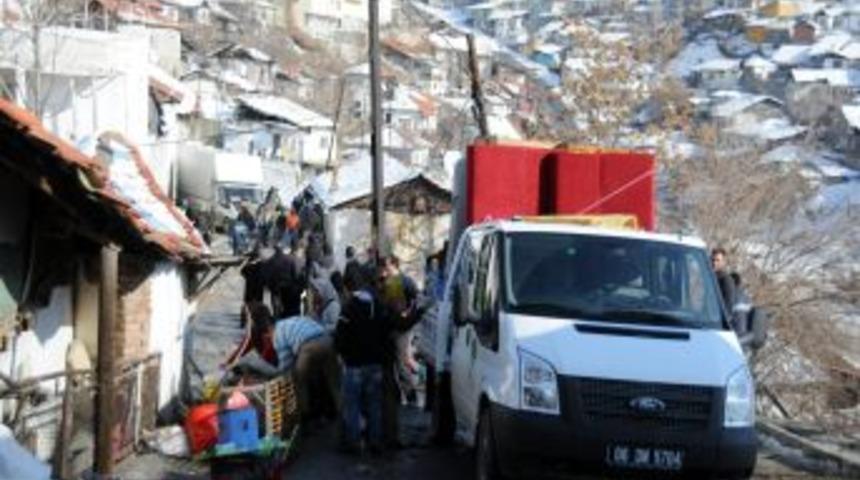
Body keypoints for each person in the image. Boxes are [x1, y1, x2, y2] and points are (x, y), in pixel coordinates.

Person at [334, 273, 390, 454]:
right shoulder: (379, 306)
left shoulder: (349, 307)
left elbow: (340, 337)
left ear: (351, 289)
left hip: (354, 365)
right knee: (374, 404)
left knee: (353, 405)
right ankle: (375, 441)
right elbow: (386, 334)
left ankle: (354, 442)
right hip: (376, 364)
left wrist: (342, 354)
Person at [267, 314, 340, 428]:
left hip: (309, 347)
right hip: (328, 341)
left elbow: (285, 366)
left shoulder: (277, 333)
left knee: (299, 379)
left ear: (269, 329)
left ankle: (305, 418)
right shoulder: (293, 320)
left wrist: (275, 375)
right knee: (326, 379)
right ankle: (333, 414)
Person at [264, 245, 304, 318]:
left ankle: (278, 319)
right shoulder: (291, 259)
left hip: (276, 288)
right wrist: (299, 288)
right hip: (290, 289)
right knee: (291, 309)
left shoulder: (270, 261)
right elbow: (296, 274)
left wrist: (270, 287)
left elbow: (268, 276)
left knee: (278, 308)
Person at [711, 247, 737, 315]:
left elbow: (728, 306)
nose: (714, 263)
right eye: (713, 260)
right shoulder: (709, 278)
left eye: (717, 260)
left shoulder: (726, 280)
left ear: (723, 262)